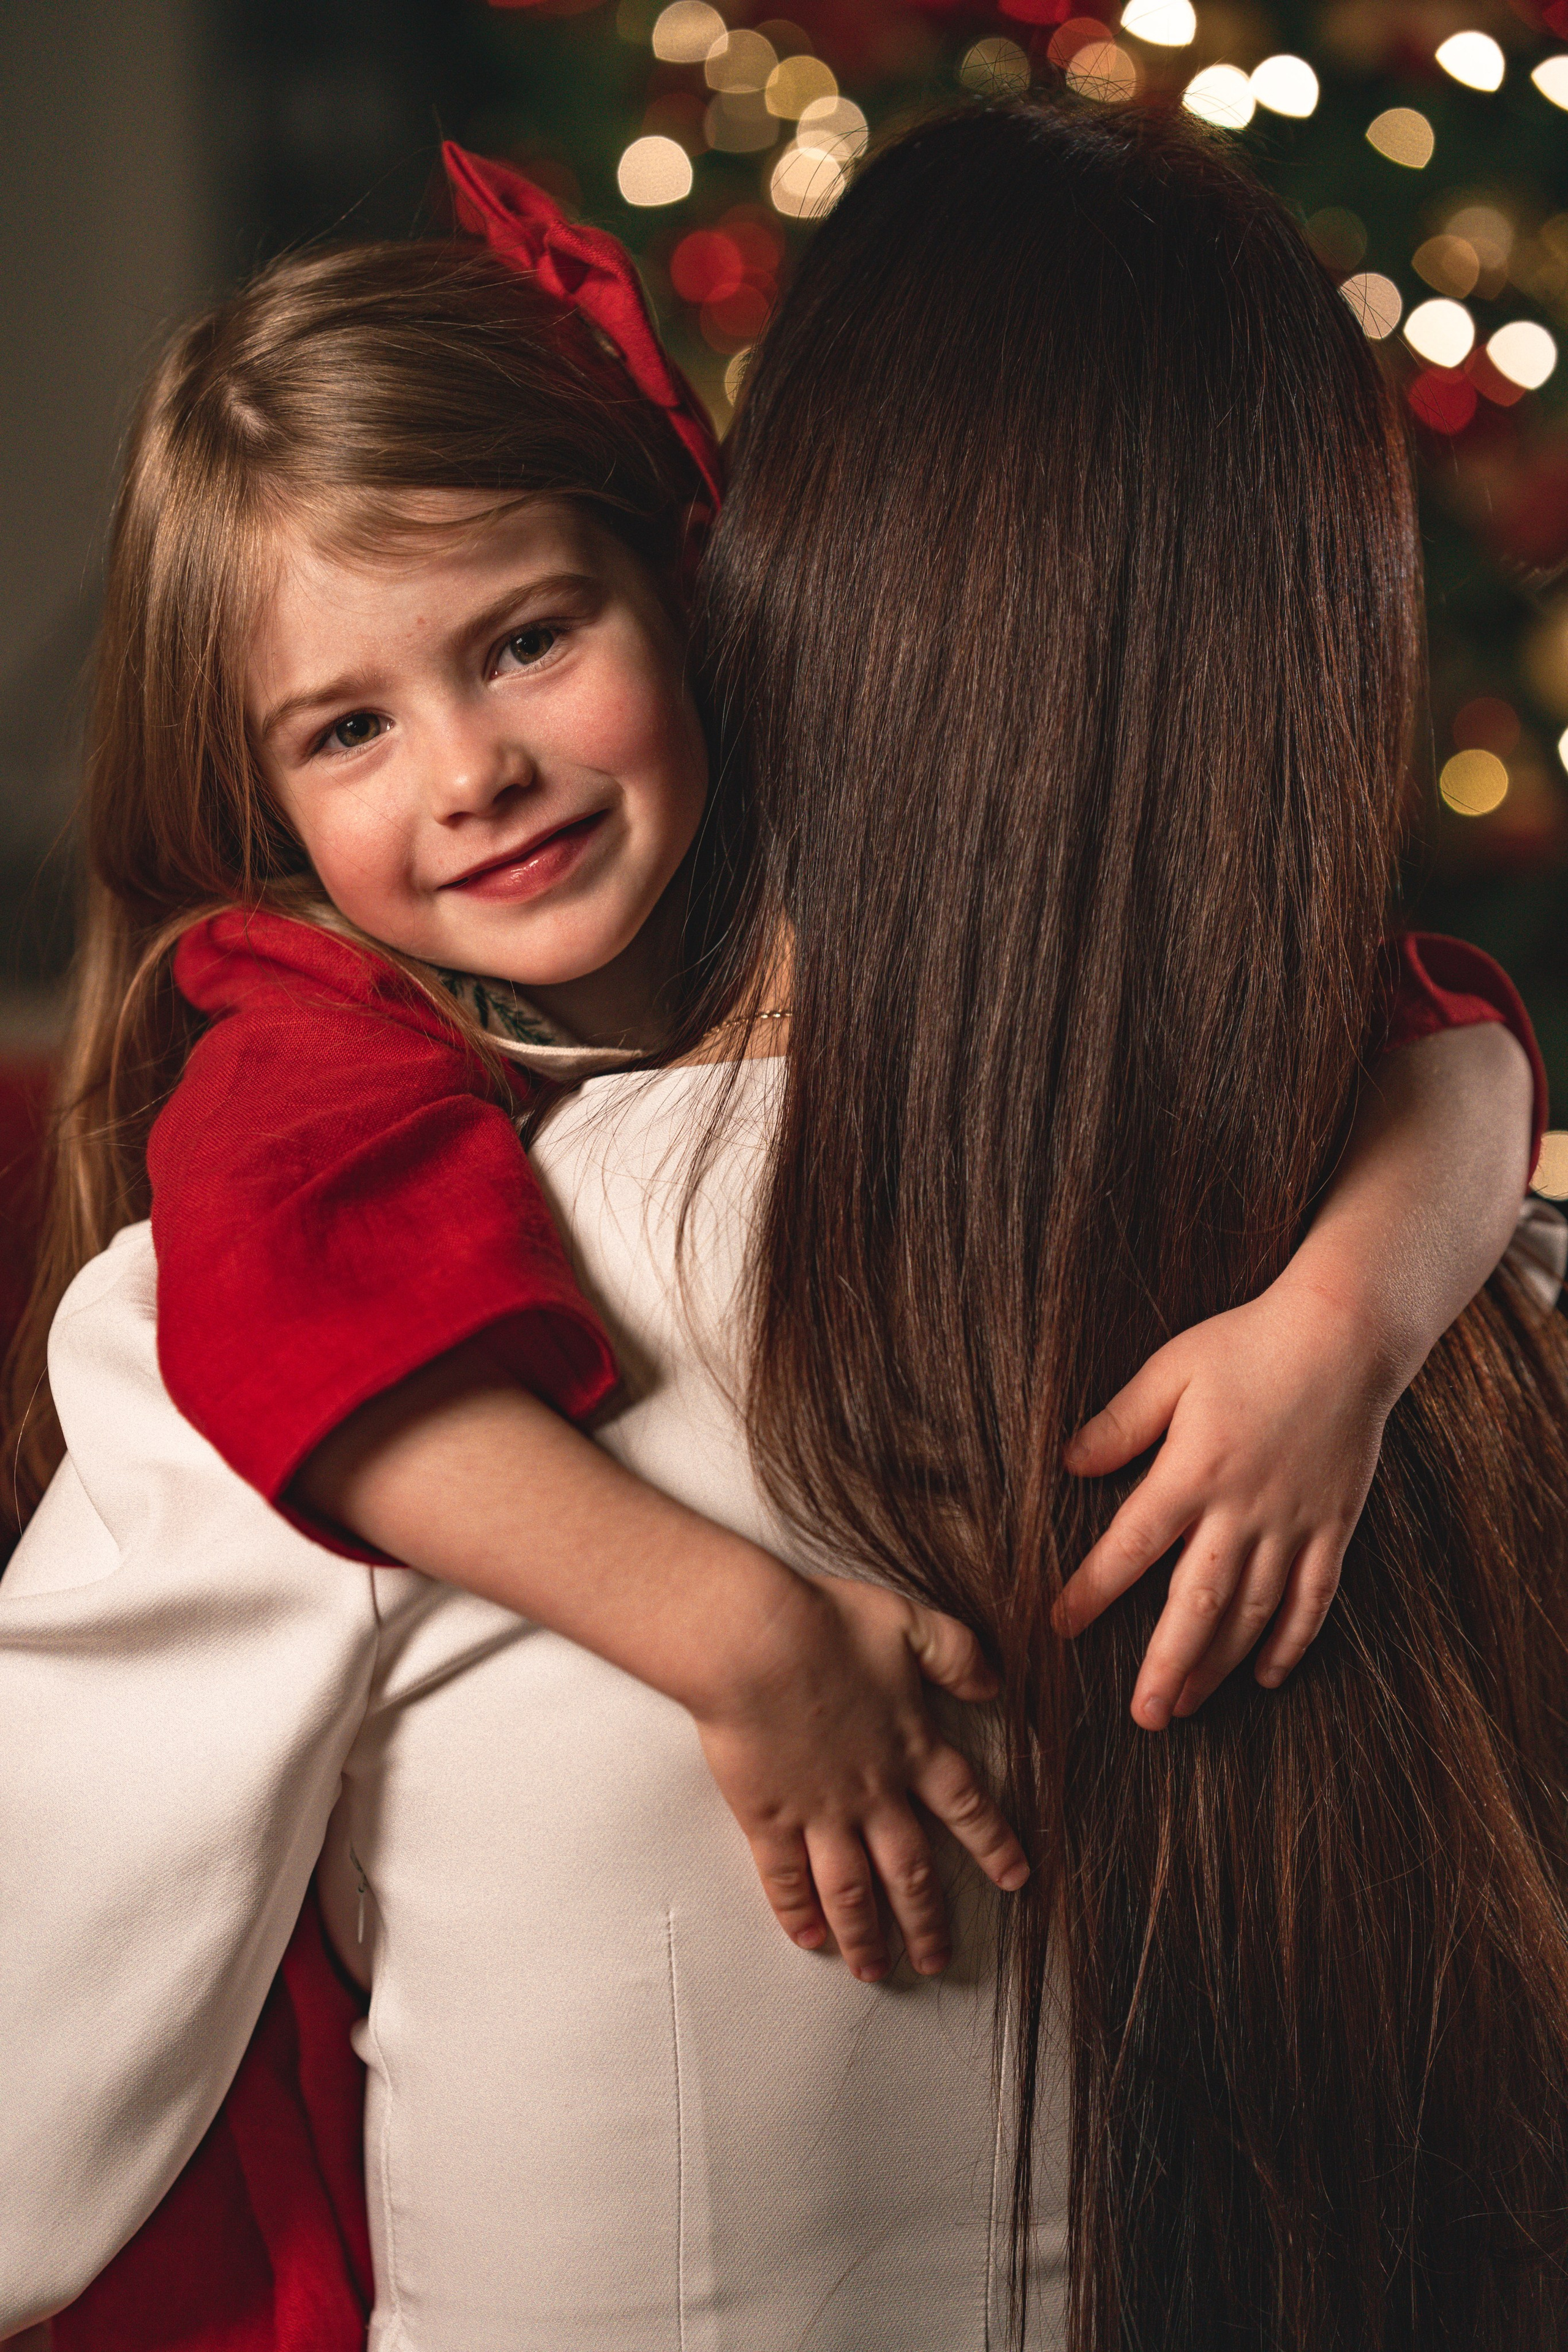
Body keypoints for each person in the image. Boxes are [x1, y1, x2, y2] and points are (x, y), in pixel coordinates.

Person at [0, 106, 1561, 2351]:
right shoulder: (320, 1125)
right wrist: (738, 1633)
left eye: (529, 641)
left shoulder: (1384, 1258)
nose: (471, 774)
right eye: (348, 729)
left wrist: (1347, 1317)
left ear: (721, 591)